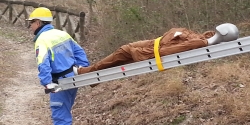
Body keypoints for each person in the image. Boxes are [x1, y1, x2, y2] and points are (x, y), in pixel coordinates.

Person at [27, 7, 90, 125]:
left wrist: (47, 83)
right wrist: (83, 68)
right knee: (65, 111)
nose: (30, 26)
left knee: (60, 116)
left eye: (31, 23)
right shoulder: (62, 34)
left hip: (60, 82)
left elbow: (43, 63)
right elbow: (79, 52)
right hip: (72, 79)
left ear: (38, 22)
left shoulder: (42, 40)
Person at [77, 24, 239, 74]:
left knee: (123, 52)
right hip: (152, 43)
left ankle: (85, 72)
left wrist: (140, 53)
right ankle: (87, 71)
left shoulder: (198, 43)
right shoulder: (203, 38)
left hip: (151, 48)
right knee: (120, 56)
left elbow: (167, 52)